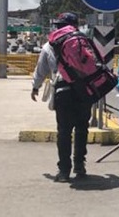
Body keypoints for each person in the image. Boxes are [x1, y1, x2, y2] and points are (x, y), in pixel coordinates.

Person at [30, 12, 92, 182]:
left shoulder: (49, 45)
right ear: (75, 25)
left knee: (64, 131)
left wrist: (35, 87)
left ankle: (64, 171)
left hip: (63, 92)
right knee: (82, 129)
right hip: (84, 91)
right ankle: (80, 165)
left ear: (58, 26)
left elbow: (41, 69)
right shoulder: (83, 41)